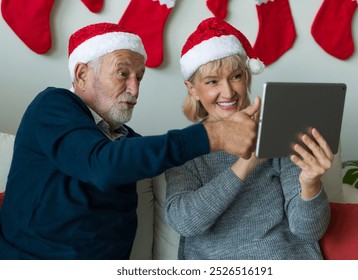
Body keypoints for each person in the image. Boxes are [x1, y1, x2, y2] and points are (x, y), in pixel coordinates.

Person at [0, 22, 261, 260]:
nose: (134, 89)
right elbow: (102, 165)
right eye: (123, 73)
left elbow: (128, 156)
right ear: (82, 75)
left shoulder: (128, 143)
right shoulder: (53, 106)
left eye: (139, 77)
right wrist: (214, 135)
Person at [164, 17, 333, 260]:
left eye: (235, 77)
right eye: (212, 82)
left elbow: (309, 231)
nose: (228, 92)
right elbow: (185, 222)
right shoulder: (184, 147)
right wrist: (246, 163)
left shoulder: (279, 133)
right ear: (192, 89)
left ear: (247, 77)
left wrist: (310, 183)